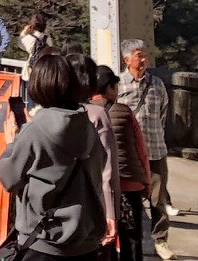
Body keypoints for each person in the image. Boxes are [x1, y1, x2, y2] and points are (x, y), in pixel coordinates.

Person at [0, 53, 110, 261]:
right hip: (85, 244)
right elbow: (100, 166)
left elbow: (9, 179)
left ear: (37, 86)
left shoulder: (33, 131)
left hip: (43, 243)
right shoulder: (88, 127)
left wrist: (11, 143)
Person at [119, 39, 175, 259]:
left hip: (155, 150)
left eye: (144, 55)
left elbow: (163, 113)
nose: (143, 60)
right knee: (129, 201)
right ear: (126, 59)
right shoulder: (119, 85)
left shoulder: (157, 84)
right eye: (138, 55)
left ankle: (161, 240)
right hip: (130, 155)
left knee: (158, 200)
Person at [66, 53, 122, 253]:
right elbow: (108, 170)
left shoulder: (46, 114)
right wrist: (111, 212)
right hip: (91, 205)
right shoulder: (96, 114)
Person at [99, 66, 152, 261]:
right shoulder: (124, 112)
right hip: (130, 184)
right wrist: (146, 181)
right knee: (132, 238)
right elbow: (141, 150)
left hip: (102, 187)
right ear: (109, 88)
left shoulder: (86, 111)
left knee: (106, 238)